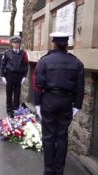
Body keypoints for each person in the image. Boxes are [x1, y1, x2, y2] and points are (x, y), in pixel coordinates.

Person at [33, 32, 85, 175]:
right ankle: (59, 170)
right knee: (62, 136)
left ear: (53, 43)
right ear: (67, 44)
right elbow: (80, 86)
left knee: (48, 136)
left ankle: (49, 171)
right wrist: (77, 105)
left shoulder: (45, 61)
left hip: (49, 100)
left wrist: (37, 104)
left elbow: (38, 84)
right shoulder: (76, 62)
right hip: (67, 101)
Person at [1, 36, 28, 117]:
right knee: (9, 94)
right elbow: (3, 65)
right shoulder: (7, 53)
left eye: (18, 43)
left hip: (18, 77)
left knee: (17, 94)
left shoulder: (23, 54)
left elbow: (25, 65)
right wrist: (2, 76)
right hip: (9, 77)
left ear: (19, 44)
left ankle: (15, 109)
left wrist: (24, 76)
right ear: (12, 43)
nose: (16, 44)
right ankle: (9, 110)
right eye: (14, 43)